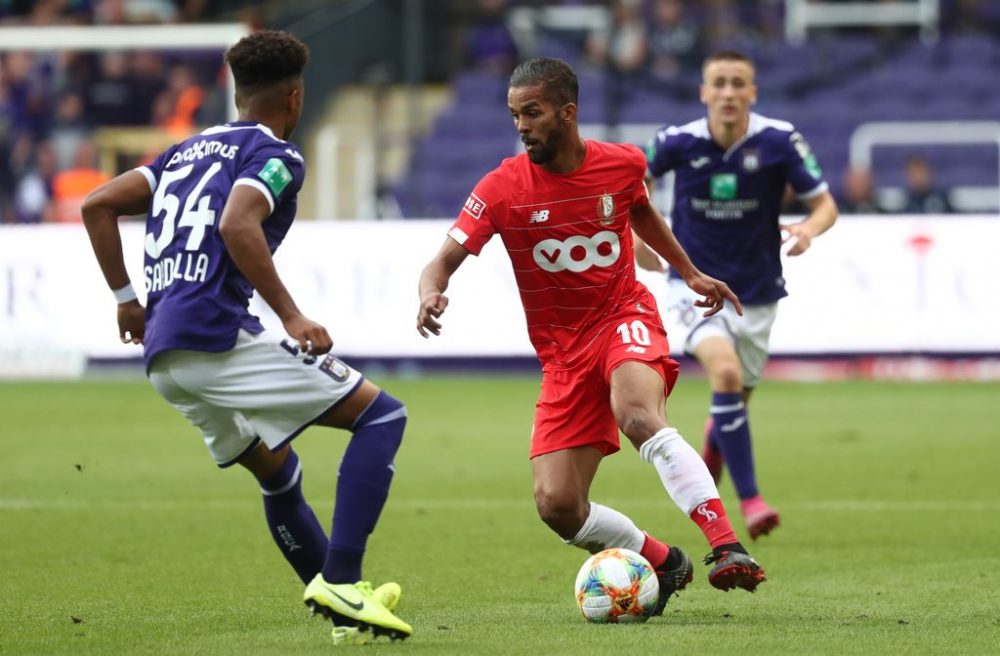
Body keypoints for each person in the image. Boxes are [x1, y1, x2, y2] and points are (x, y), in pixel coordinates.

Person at [81, 30, 411, 646]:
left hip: (163, 358)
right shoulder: (276, 154)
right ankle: (342, 580)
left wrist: (127, 300)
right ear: (295, 98)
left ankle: (341, 611)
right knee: (383, 417)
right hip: (215, 338)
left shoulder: (180, 152)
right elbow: (238, 221)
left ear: (237, 92)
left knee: (277, 472)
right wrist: (291, 315)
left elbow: (97, 204)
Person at [416, 57, 766, 615]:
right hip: (561, 354)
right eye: (514, 115)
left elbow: (643, 213)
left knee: (637, 413)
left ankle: (725, 544)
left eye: (532, 113)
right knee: (558, 504)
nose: (522, 126)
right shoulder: (502, 187)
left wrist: (690, 271)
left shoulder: (622, 164)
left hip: (623, 315)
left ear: (567, 112)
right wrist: (430, 292)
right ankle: (661, 559)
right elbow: (442, 260)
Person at [641, 50, 839, 539]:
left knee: (735, 397)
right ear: (704, 92)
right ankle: (751, 501)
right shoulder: (675, 141)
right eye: (719, 83)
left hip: (757, 293)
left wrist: (810, 230)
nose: (728, 92)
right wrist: (640, 237)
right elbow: (630, 188)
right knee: (725, 374)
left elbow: (826, 204)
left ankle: (709, 460)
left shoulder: (779, 140)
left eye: (738, 84)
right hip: (694, 285)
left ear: (753, 92)